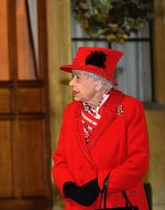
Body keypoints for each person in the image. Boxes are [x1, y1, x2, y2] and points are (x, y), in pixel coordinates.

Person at [52, 47, 149, 210]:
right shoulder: (70, 111)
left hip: (116, 202)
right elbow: (60, 159)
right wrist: (68, 186)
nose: (71, 83)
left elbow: (138, 163)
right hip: (78, 204)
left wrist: (99, 183)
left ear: (97, 83)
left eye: (78, 77)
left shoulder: (128, 108)